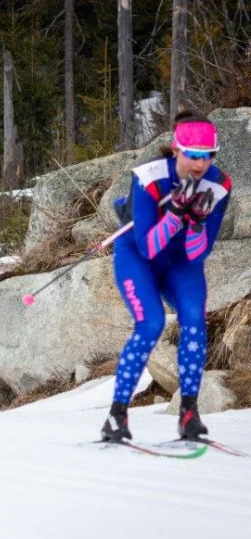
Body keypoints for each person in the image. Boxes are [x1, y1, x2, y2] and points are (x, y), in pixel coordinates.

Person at [102, 111, 232, 442]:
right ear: (176, 150)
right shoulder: (149, 178)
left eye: (207, 156)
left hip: (180, 262)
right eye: (192, 155)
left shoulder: (219, 185)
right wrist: (175, 214)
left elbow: (198, 254)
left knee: (194, 319)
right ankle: (117, 416)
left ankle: (189, 412)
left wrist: (199, 222)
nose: (200, 164)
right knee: (151, 323)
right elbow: (147, 247)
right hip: (138, 257)